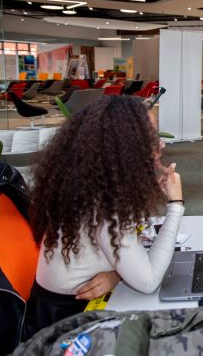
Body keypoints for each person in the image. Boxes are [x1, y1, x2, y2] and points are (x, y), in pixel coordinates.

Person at [27, 96, 184, 332]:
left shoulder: (88, 184)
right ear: (126, 145)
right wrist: (176, 204)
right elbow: (148, 280)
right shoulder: (104, 205)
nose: (161, 144)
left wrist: (116, 276)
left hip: (57, 307)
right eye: (152, 137)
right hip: (63, 324)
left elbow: (126, 247)